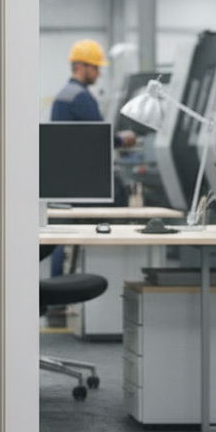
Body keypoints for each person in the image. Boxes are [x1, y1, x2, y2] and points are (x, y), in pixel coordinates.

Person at [49, 39, 136, 275]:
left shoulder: (63, 95)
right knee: (118, 197)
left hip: (64, 176)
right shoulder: (80, 97)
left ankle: (57, 292)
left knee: (61, 234)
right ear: (81, 67)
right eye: (95, 67)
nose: (98, 73)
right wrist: (122, 139)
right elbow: (99, 136)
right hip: (79, 180)